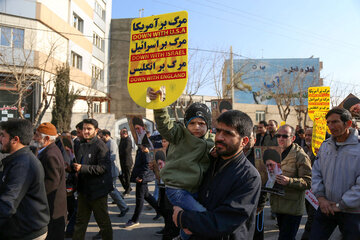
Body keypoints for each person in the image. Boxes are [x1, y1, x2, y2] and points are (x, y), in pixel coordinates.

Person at [172, 110, 261, 239]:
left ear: (244, 141)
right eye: (218, 131)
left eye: (227, 133)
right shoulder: (210, 162)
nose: (219, 137)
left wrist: (183, 218)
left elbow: (223, 221)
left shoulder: (249, 177)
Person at [150, 94, 215, 239]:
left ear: (208, 126)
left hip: (197, 190)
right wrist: (158, 104)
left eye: (201, 123)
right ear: (186, 124)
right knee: (202, 216)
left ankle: (181, 236)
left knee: (189, 224)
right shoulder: (179, 134)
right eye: (192, 123)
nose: (196, 127)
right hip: (178, 190)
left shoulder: (212, 141)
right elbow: (164, 124)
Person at [310, 108, 360, 239]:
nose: (331, 126)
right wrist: (321, 198)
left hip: (352, 212)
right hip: (326, 208)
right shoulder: (325, 145)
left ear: (348, 124)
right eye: (328, 123)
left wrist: (341, 204)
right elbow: (316, 173)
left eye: (335, 122)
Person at [0, 119, 50, 239]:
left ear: (15, 139)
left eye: (2, 135)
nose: (0, 139)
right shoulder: (16, 160)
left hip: (27, 232)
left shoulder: (23, 164)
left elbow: (8, 203)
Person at [72, 119, 113, 240]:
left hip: (98, 191)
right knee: (80, 223)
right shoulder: (81, 144)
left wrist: (82, 168)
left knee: (103, 223)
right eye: (84, 129)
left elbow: (103, 168)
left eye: (89, 129)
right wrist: (71, 168)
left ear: (96, 130)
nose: (85, 131)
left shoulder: (101, 146)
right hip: (83, 191)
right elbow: (79, 164)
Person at [269, 124, 312, 240]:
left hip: (292, 208)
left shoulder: (300, 156)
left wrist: (289, 181)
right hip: (278, 205)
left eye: (284, 136)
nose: (281, 138)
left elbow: (308, 182)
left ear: (293, 138)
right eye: (278, 135)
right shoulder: (273, 152)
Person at [33, 122, 67, 240]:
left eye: (37, 135)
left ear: (47, 138)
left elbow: (50, 186)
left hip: (52, 211)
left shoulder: (50, 155)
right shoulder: (46, 151)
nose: (34, 138)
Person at [125, 118, 161, 228]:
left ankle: (135, 220)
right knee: (146, 195)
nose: (137, 131)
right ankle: (160, 211)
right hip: (141, 174)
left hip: (143, 176)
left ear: (144, 128)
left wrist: (141, 176)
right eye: (135, 129)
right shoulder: (140, 140)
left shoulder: (147, 142)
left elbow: (148, 162)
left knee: (139, 198)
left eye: (138, 128)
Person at [100, 129, 129, 217]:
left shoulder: (111, 143)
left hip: (112, 170)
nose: (101, 138)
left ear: (107, 135)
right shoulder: (106, 143)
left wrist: (103, 162)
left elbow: (112, 156)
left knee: (111, 189)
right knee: (112, 189)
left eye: (102, 137)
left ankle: (124, 207)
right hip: (109, 170)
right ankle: (122, 202)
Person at [245, 130, 268, 240]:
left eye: (250, 138)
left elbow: (264, 181)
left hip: (256, 202)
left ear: (254, 140)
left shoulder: (259, 155)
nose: (247, 141)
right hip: (239, 203)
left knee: (256, 234)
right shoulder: (234, 152)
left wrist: (261, 203)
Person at [300, 127, 316, 240]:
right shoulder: (303, 150)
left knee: (312, 217)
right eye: (306, 135)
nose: (307, 137)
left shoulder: (322, 150)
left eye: (310, 135)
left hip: (316, 190)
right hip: (305, 190)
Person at [119, 127, 133, 196]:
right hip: (122, 161)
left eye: (121, 134)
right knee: (121, 175)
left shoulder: (128, 140)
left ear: (125, 134)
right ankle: (127, 187)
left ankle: (127, 190)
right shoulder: (123, 139)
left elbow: (126, 151)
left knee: (127, 176)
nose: (120, 136)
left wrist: (120, 153)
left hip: (127, 161)